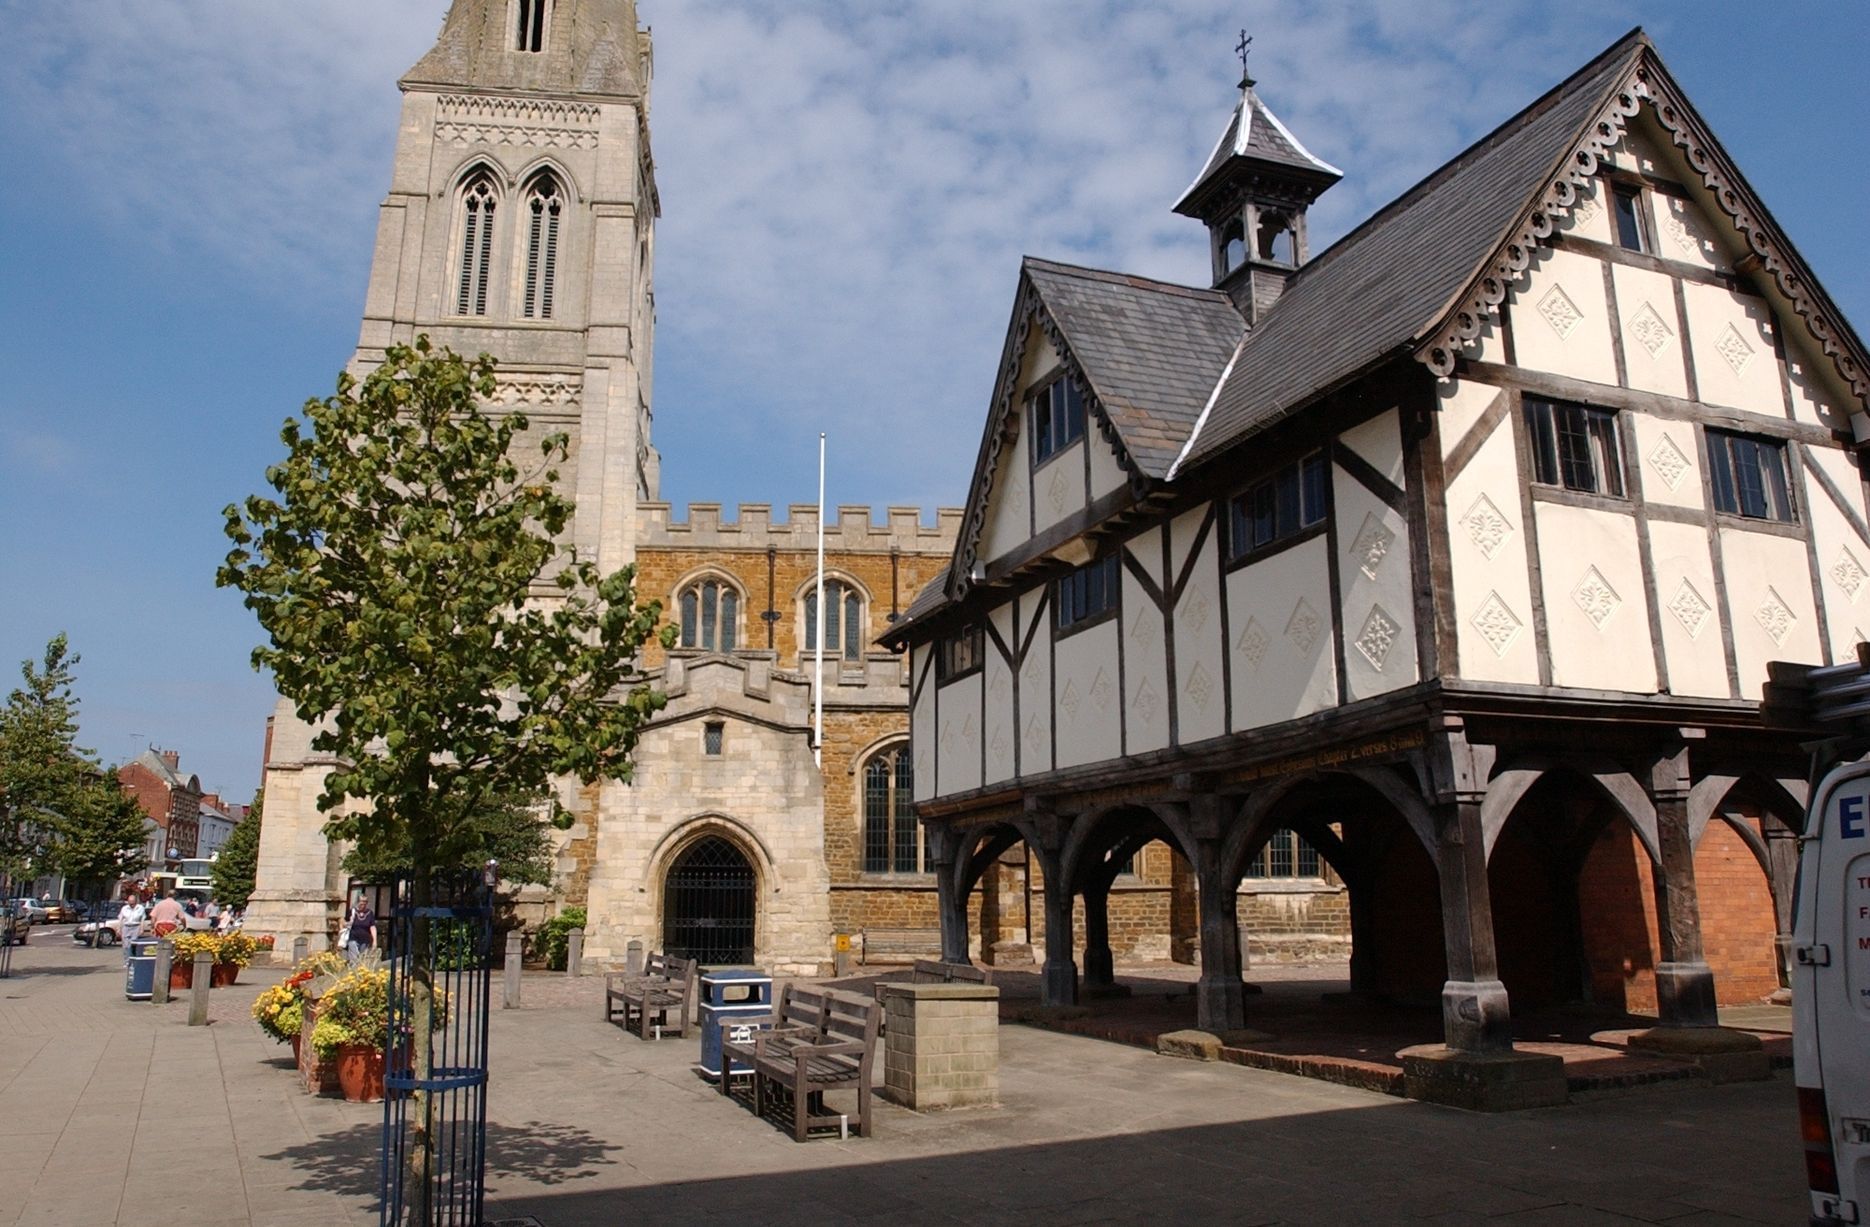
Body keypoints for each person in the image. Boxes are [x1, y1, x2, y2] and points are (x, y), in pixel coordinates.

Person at [345, 896, 377, 962]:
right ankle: (353, 971)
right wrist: (348, 922)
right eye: (361, 901)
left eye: (365, 902)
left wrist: (374, 941)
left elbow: (372, 927)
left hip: (365, 940)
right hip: (353, 938)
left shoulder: (370, 913)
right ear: (358, 902)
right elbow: (343, 921)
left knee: (363, 960)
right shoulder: (352, 912)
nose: (363, 903)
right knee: (354, 960)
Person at [118, 893, 147, 963]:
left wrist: (142, 929)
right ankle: (126, 960)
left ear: (135, 902)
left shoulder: (140, 908)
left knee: (133, 944)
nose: (131, 905)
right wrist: (119, 929)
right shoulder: (124, 908)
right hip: (126, 927)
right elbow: (120, 919)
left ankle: (133, 960)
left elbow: (142, 919)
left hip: (136, 927)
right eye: (130, 903)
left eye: (133, 903)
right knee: (125, 945)